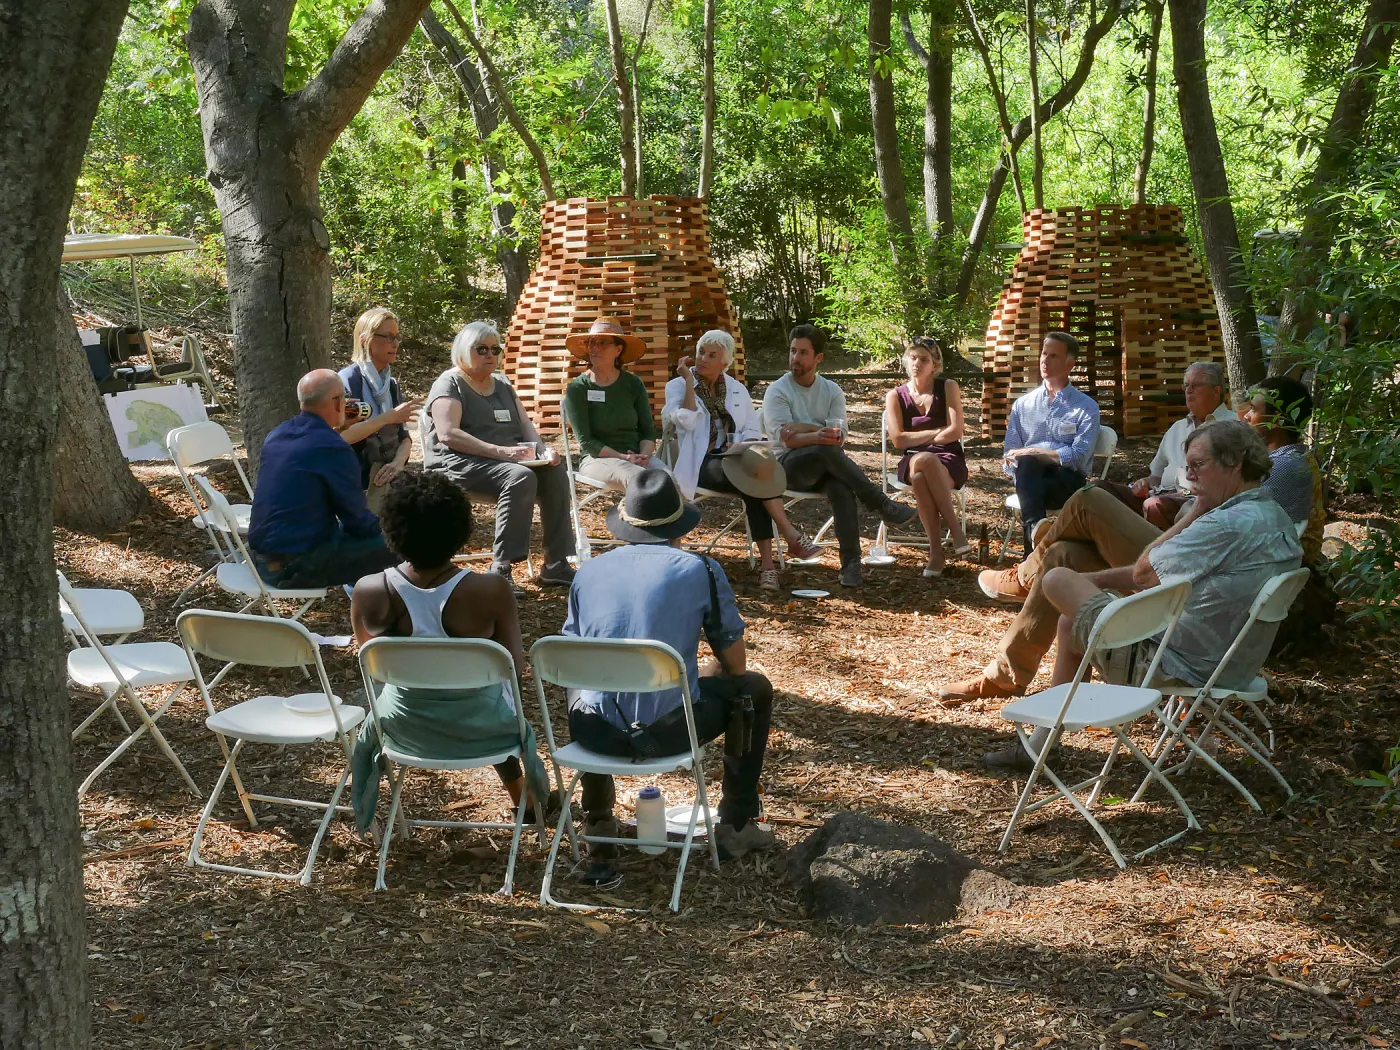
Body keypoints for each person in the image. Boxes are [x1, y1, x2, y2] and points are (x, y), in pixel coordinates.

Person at [974, 419, 1302, 770]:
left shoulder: (1222, 523)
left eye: (1198, 467)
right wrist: (1093, 581)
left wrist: (1192, 514)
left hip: (1178, 665)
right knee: (1069, 563)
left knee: (1056, 579)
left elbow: (1145, 574)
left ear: (1235, 463)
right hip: (1231, 660)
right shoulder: (1271, 512)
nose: (1190, 477)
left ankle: (1027, 581)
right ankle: (1041, 744)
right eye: (1187, 467)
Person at [561, 468, 777, 879]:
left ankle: (600, 823)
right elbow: (736, 665)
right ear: (679, 524)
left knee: (581, 685)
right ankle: (736, 824)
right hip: (671, 731)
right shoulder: (700, 569)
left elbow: (572, 657)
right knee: (754, 690)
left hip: (594, 733)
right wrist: (708, 673)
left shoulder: (588, 571)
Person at [349, 472, 550, 833]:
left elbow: (372, 665)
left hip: (403, 727)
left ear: (391, 528)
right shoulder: (490, 590)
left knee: (457, 694)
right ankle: (525, 796)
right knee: (484, 697)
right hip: (486, 729)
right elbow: (513, 668)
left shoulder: (367, 590)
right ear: (461, 529)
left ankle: (523, 795)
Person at [422, 321, 576, 593]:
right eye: (481, 349)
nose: (490, 355)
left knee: (554, 474)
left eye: (496, 349)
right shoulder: (451, 383)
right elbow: (448, 434)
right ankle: (501, 566)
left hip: (506, 461)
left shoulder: (503, 383)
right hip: (457, 463)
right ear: (462, 351)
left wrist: (543, 451)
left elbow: (526, 425)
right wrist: (500, 452)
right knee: (520, 477)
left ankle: (555, 563)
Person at [663, 328, 821, 591]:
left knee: (755, 480)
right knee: (754, 480)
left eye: (712, 355)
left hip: (735, 458)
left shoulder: (736, 389)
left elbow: (749, 428)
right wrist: (689, 383)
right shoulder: (677, 386)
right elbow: (686, 422)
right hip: (700, 462)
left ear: (724, 363)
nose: (703, 358)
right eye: (701, 351)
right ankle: (783, 545)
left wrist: (742, 442)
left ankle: (771, 563)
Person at [761, 324, 917, 588]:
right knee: (825, 449)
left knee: (841, 487)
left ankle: (851, 565)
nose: (795, 358)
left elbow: (839, 436)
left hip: (826, 469)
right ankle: (881, 504)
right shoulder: (777, 391)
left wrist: (806, 429)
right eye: (792, 351)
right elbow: (786, 438)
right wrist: (819, 433)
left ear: (818, 358)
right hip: (786, 467)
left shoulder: (831, 390)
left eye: (802, 353)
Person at [247, 369, 401, 588]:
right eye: (344, 397)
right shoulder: (333, 448)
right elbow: (358, 522)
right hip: (296, 567)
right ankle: (381, 615)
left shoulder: (278, 434)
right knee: (403, 543)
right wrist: (395, 527)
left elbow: (314, 450)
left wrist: (338, 428)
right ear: (338, 402)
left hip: (260, 558)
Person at [1097, 361, 1234, 528]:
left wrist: (1179, 493)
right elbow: (1156, 476)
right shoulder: (1177, 428)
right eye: (1186, 385)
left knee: (1154, 505)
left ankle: (1151, 551)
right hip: (1160, 495)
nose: (1188, 391)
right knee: (1098, 490)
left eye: (1195, 385)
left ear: (1216, 390)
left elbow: (1231, 483)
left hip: (1195, 502)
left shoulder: (1234, 426)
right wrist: (1145, 483)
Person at [1002, 331, 1101, 550]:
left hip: (1066, 481)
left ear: (1070, 364)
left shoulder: (1086, 407)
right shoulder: (1023, 405)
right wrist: (1026, 460)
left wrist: (1037, 455)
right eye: (1044, 354)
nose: (1045, 360)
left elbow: (1079, 457)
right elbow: (1009, 455)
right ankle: (1036, 531)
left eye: (1053, 356)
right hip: (1029, 480)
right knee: (1027, 466)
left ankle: (1031, 553)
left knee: (1028, 463)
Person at [884, 337, 971, 577]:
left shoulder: (948, 387)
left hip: (949, 459)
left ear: (935, 365)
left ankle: (936, 554)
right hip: (912, 459)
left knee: (922, 478)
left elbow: (956, 430)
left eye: (924, 359)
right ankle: (956, 531)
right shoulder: (895, 396)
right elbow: (899, 440)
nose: (917, 363)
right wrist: (935, 433)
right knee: (924, 461)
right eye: (913, 358)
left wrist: (919, 436)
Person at [337, 307, 423, 514]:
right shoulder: (349, 380)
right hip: (361, 480)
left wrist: (398, 463)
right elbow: (343, 436)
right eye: (388, 337)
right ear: (366, 340)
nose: (395, 344)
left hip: (394, 474)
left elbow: (405, 438)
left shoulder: (391, 384)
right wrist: (387, 418)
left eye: (397, 337)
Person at [563, 318, 665, 487]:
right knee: (641, 480)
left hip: (637, 457)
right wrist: (624, 458)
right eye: (592, 342)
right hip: (597, 460)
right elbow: (587, 442)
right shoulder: (578, 388)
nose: (595, 348)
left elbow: (648, 432)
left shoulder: (633, 384)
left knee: (668, 480)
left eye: (603, 343)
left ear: (618, 350)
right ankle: (634, 513)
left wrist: (644, 457)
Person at [1241, 376, 1322, 561]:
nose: (1246, 416)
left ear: (1276, 419)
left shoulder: (1283, 466)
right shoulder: (1294, 456)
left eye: (1253, 409)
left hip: (1278, 565)